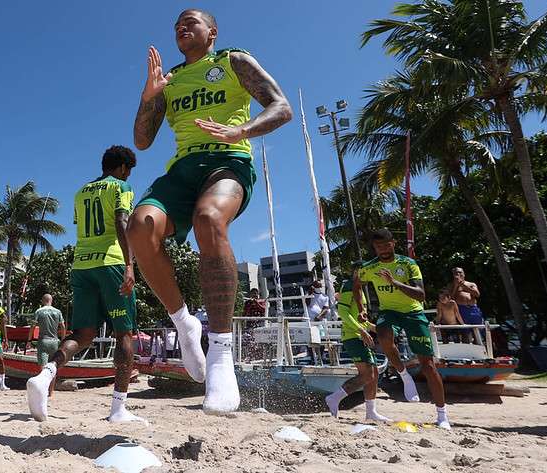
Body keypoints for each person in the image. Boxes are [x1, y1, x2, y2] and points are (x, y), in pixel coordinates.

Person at [127, 8, 292, 415]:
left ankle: (220, 355)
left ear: (212, 32)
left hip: (228, 160)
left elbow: (281, 107)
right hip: (184, 168)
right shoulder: (171, 80)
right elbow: (142, 141)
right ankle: (185, 323)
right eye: (176, 25)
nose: (182, 28)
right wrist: (149, 98)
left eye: (191, 22)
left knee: (208, 219)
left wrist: (243, 130)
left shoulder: (233, 60)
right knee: (138, 227)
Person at [27, 145, 143, 424]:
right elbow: (121, 220)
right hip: (111, 263)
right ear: (124, 168)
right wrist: (129, 265)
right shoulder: (121, 187)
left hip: (81, 265)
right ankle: (118, 409)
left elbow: (81, 227)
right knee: (124, 334)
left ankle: (46, 374)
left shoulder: (81, 193)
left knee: (83, 334)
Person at [353, 229, 451, 429]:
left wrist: (394, 282)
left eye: (385, 245)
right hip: (388, 311)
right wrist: (362, 309)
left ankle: (442, 415)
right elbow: (357, 284)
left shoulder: (407, 264)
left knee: (428, 365)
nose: (382, 249)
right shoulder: (369, 267)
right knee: (382, 334)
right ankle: (404, 374)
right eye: (378, 246)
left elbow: (421, 295)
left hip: (413, 312)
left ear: (393, 243)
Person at [326, 277, 390, 422]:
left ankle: (371, 412)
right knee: (367, 374)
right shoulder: (349, 286)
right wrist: (362, 330)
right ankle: (334, 398)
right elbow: (343, 312)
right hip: (352, 337)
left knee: (373, 373)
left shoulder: (360, 289)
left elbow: (360, 319)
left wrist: (377, 329)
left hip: (359, 335)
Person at [31, 293, 66, 366]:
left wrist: (29, 340)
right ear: (51, 301)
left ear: (43, 301)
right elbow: (63, 326)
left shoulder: (39, 311)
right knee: (53, 367)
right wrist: (63, 340)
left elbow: (33, 327)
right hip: (54, 342)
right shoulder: (58, 312)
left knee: (43, 368)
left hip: (43, 341)